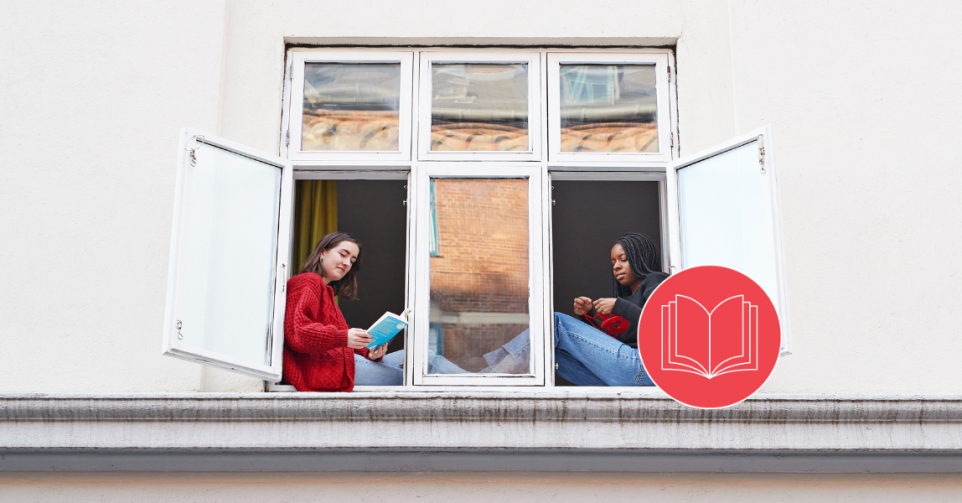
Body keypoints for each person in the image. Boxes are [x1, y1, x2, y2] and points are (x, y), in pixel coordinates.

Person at [283, 231, 466, 391]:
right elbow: (296, 333)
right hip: (323, 370)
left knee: (427, 358)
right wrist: (345, 337)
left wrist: (369, 353)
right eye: (343, 254)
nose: (347, 263)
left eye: (352, 260)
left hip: (341, 363)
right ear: (323, 251)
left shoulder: (327, 294)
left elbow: (341, 343)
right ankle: (478, 383)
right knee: (410, 377)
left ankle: (479, 381)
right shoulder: (306, 281)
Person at [489, 232, 668, 386]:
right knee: (554, 352)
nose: (616, 266)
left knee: (555, 323)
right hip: (625, 376)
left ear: (641, 258)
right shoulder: (628, 299)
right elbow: (615, 342)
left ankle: (492, 375)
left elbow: (663, 324)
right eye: (613, 262)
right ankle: (503, 379)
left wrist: (619, 306)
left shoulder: (655, 280)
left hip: (645, 366)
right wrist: (590, 314)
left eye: (624, 259)